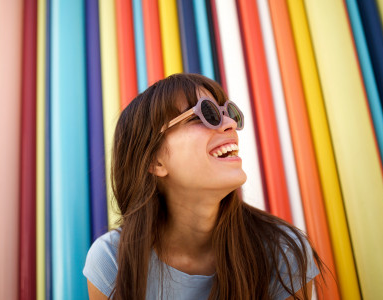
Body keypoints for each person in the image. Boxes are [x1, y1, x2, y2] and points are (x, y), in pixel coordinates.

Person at [83, 73, 322, 299]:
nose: (230, 124)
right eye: (202, 115)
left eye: (228, 112)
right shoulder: (111, 260)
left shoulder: (282, 251)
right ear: (155, 160)